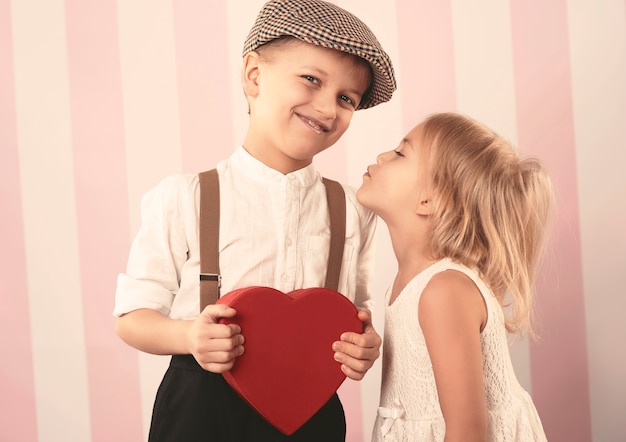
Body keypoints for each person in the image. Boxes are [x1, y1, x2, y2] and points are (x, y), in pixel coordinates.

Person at [114, 0, 396, 441]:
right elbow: (131, 317)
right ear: (253, 74)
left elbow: (356, 314)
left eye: (346, 98)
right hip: (201, 411)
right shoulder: (184, 197)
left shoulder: (353, 210)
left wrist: (364, 346)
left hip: (311, 411)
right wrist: (190, 336)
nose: (327, 107)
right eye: (311, 79)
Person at [358, 112, 550, 441]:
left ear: (430, 200)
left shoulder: (443, 290)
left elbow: (467, 431)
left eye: (401, 153)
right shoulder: (414, 284)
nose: (381, 156)